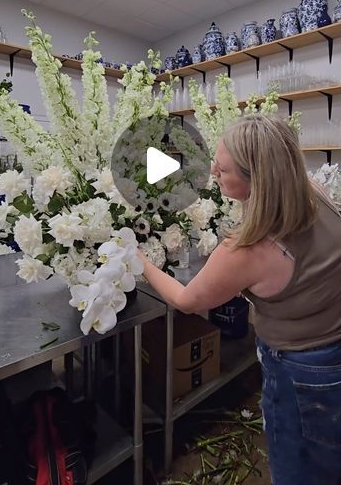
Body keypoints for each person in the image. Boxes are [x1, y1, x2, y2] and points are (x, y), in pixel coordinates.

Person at [138, 114, 341, 485]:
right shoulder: (313, 192)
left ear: (256, 179)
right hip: (333, 348)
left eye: (223, 168)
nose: (213, 170)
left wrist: (142, 264)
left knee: (297, 463)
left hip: (299, 369)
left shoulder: (249, 247)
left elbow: (187, 300)